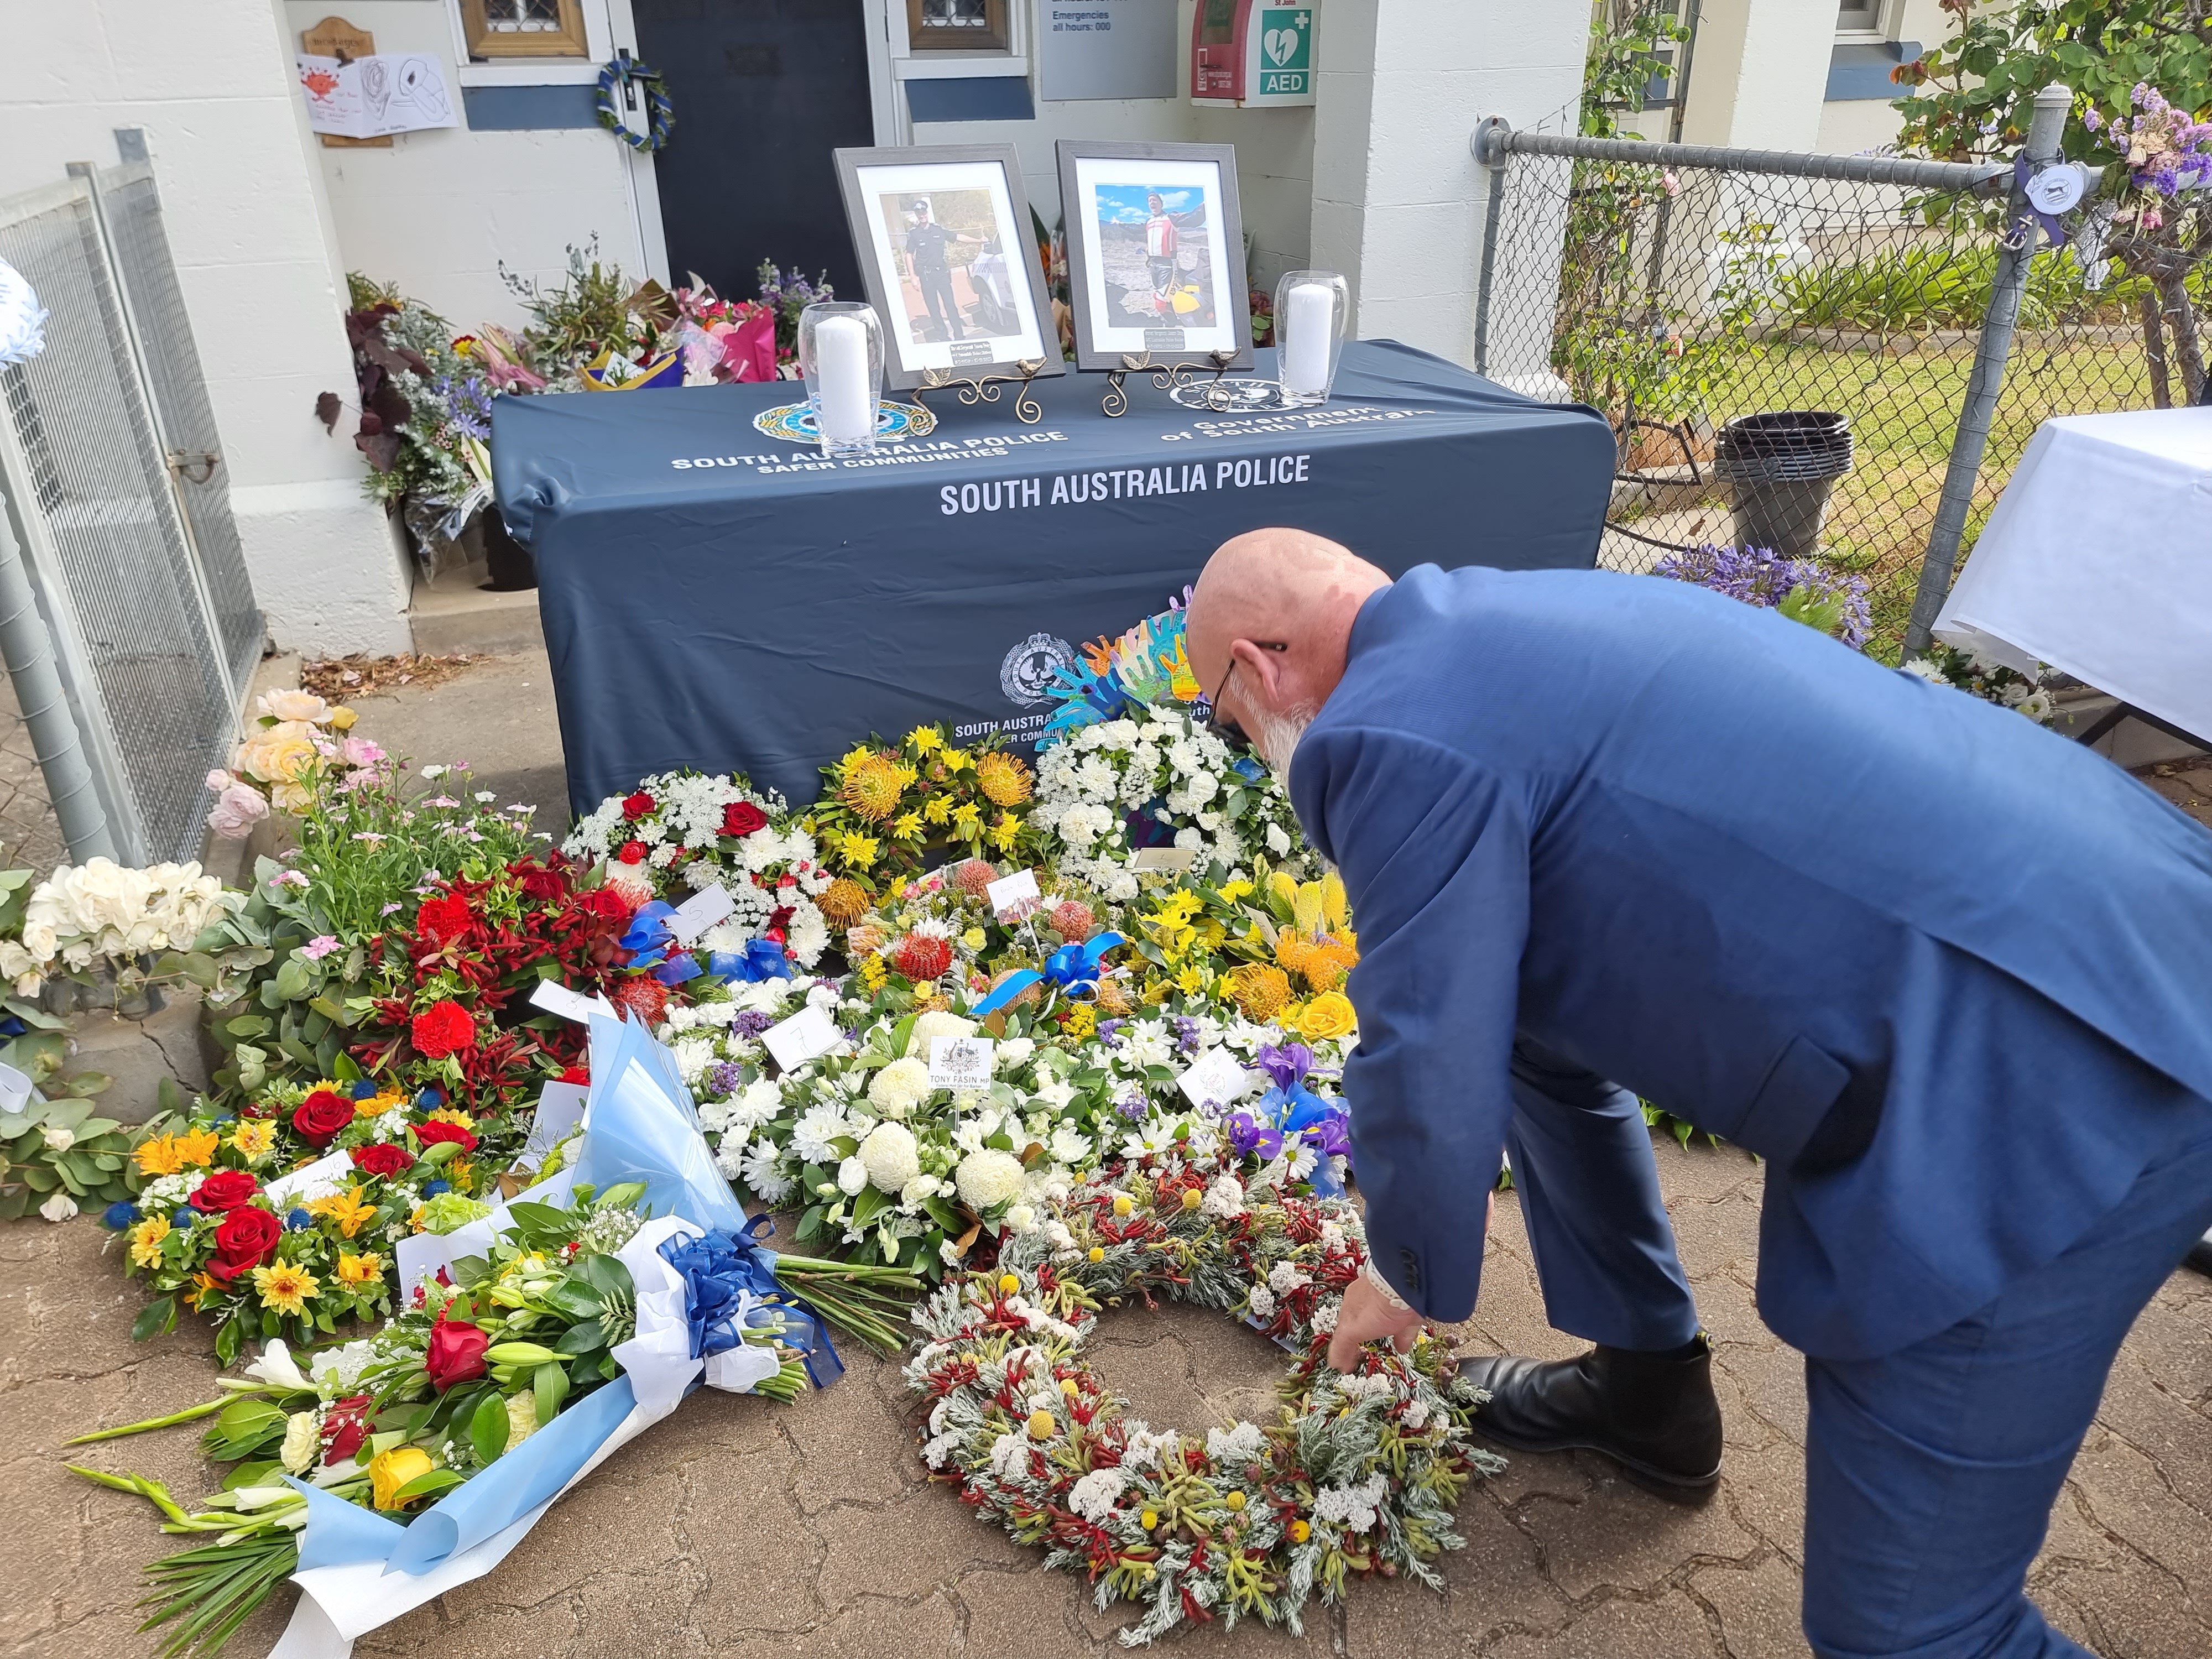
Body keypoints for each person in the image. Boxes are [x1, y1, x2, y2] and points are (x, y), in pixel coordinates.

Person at [1181, 528, 2212, 1659]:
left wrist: (1398, 1271)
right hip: (2135, 915)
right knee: (1522, 1027)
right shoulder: (1496, 621)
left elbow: (1420, 1036)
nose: (1253, 749)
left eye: (1231, 724)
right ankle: (1646, 1393)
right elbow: (1484, 1007)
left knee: (1913, 1633)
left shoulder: (1384, 728)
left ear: (1259, 662)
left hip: (2029, 1079)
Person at [901, 198, 978, 343]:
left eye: (923, 212)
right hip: (926, 275)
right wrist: (913, 276)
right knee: (934, 308)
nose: (922, 215)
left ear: (927, 212)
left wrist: (979, 240)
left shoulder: (938, 230)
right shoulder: (914, 234)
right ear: (916, 215)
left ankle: (960, 336)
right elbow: (909, 254)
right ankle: (943, 337)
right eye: (919, 213)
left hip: (941, 274)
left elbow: (958, 237)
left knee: (950, 305)